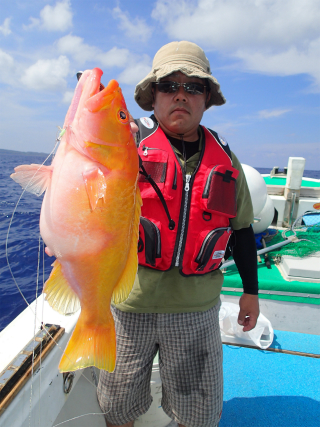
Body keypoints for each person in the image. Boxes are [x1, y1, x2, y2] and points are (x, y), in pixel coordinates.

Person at [97, 41, 259, 427]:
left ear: (207, 99)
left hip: (197, 311)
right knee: (116, 407)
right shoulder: (125, 145)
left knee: (199, 414)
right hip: (128, 306)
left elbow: (242, 230)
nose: (181, 95)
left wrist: (251, 292)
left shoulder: (225, 158)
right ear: (153, 96)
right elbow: (85, 198)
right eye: (169, 85)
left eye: (193, 87)